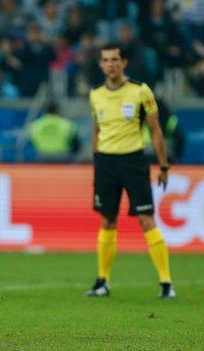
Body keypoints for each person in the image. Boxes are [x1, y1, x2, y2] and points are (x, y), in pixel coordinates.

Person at [87, 43, 175, 299]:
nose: (110, 64)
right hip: (105, 163)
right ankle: (102, 281)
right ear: (101, 64)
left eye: (115, 59)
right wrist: (96, 160)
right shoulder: (95, 94)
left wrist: (163, 165)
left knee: (147, 220)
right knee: (107, 220)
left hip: (133, 161)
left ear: (124, 63)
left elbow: (156, 130)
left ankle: (166, 282)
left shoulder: (140, 91)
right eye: (106, 60)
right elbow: (97, 128)